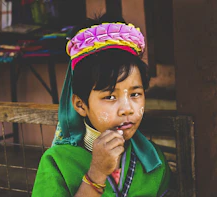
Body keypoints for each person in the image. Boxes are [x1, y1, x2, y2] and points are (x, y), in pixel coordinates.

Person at [32, 17, 172, 197]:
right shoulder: (58, 162)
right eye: (110, 96)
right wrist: (96, 174)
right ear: (80, 105)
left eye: (135, 94)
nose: (127, 109)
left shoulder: (155, 161)